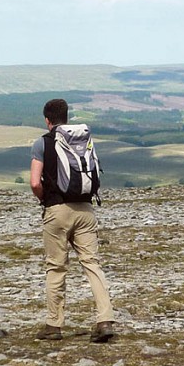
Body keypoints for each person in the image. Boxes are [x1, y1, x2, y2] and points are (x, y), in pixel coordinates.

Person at [29, 98, 115, 343]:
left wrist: (47, 200)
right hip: (86, 209)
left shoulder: (42, 143)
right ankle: (105, 319)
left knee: (56, 267)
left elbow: (35, 182)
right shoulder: (82, 140)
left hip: (57, 211)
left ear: (48, 120)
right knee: (92, 264)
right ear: (65, 117)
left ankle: (54, 326)